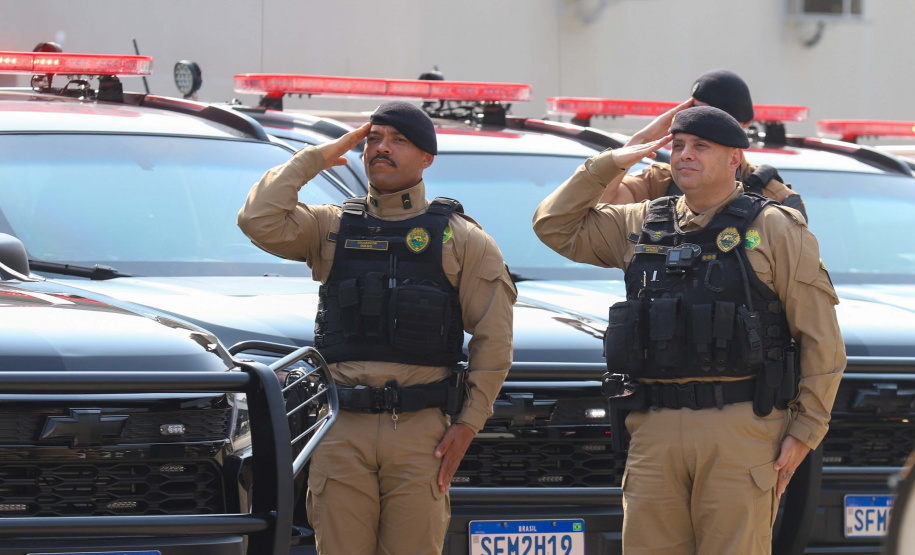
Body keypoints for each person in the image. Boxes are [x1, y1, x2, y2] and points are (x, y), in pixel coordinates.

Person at [533, 106, 845, 555]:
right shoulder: (643, 223)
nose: (685, 155)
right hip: (654, 429)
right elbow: (553, 225)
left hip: (741, 427)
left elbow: (821, 340)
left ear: (734, 159)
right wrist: (612, 161)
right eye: (678, 146)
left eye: (701, 147)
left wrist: (805, 432)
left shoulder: (773, 227)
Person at [238, 101, 516, 555]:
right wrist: (313, 159)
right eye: (373, 139)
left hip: (421, 435)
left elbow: (494, 339)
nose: (380, 149)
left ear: (427, 158)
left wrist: (468, 424)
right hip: (341, 428)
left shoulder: (462, 239)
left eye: (398, 141)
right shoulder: (330, 227)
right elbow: (258, 219)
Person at [599, 69, 808, 221]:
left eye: (714, 118)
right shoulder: (659, 181)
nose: (699, 125)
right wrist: (642, 139)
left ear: (743, 125)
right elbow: (602, 207)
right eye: (692, 113)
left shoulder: (776, 198)